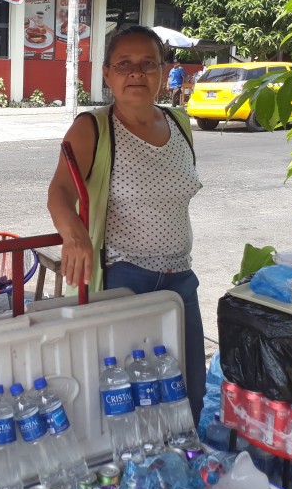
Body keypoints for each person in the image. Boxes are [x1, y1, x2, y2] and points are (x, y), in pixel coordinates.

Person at [47, 25, 206, 418]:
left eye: (147, 63)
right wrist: (75, 236)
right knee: (129, 399)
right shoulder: (93, 128)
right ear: (106, 74)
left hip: (180, 279)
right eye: (124, 64)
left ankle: (183, 466)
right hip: (123, 279)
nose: (136, 73)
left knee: (189, 391)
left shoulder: (180, 124)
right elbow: (59, 194)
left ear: (164, 71)